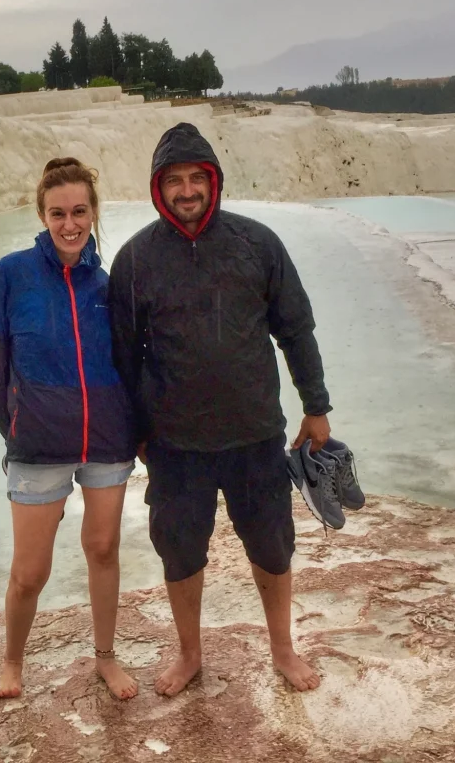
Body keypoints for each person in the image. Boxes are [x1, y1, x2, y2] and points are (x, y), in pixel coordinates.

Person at [108, 122, 331, 696]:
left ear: (213, 180)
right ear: (160, 188)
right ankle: (189, 654)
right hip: (175, 444)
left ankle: (282, 648)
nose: (187, 191)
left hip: (255, 433)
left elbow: (296, 329)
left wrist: (317, 405)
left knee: (273, 544)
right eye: (174, 181)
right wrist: (136, 432)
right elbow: (124, 354)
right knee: (180, 551)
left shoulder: (258, 244)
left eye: (195, 178)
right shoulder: (135, 260)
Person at [0, 158, 139, 700]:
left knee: (103, 549)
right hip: (38, 448)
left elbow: (126, 362)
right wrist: (19, 429)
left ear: (93, 212)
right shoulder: (10, 275)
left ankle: (105, 658)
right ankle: (12, 664)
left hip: (107, 444)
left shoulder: (105, 283)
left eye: (79, 212)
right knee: (29, 571)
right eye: (58, 213)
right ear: (42, 215)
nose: (70, 224)